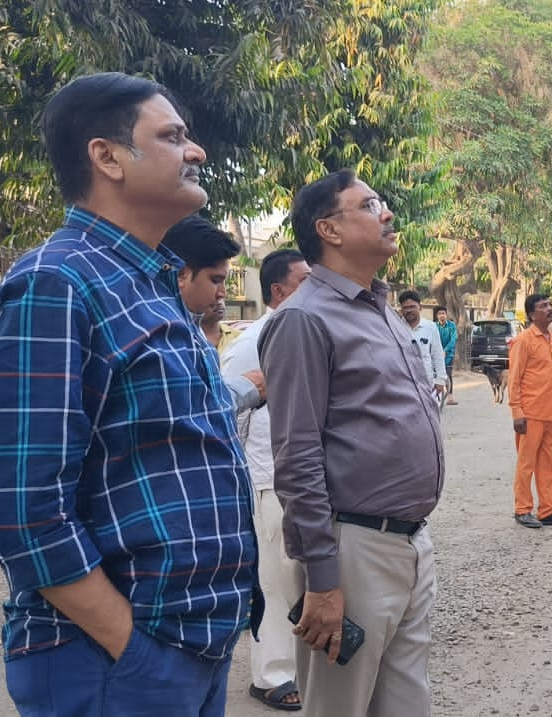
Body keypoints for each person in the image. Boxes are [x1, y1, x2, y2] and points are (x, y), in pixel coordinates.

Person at [0, 72, 257, 716]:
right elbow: (20, 510)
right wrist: (131, 646)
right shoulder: (56, 285)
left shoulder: (150, 283)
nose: (196, 151)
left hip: (185, 644)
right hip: (111, 657)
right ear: (106, 157)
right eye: (173, 136)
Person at [261, 168, 444, 716]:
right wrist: (322, 580)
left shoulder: (382, 309)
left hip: (410, 542)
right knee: (339, 708)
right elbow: (296, 456)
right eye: (369, 205)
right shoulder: (303, 320)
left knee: (407, 703)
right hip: (353, 549)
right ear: (330, 230)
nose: (387, 213)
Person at [218, 247, 311, 711]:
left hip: (313, 480)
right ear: (279, 290)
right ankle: (271, 675)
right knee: (274, 581)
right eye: (304, 280)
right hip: (267, 480)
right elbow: (226, 416)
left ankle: (308, 667)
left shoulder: (312, 331)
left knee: (309, 579)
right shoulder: (251, 342)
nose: (314, 288)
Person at [508, 293, 552, 529]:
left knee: (547, 466)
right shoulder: (523, 341)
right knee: (526, 464)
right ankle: (522, 509)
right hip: (530, 414)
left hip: (551, 414)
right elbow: (514, 380)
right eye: (543, 306)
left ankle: (547, 510)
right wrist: (517, 412)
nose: (549, 309)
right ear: (531, 314)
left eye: (549, 305)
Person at [162, 213, 244, 351]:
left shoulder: (194, 333)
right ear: (181, 275)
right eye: (215, 280)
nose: (222, 293)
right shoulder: (159, 337)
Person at [398, 291, 448, 402]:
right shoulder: (396, 327)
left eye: (412, 307)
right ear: (401, 309)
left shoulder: (430, 327)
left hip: (426, 384)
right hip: (402, 385)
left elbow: (437, 355)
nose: (409, 310)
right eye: (405, 308)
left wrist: (440, 380)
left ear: (420, 307)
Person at [435, 307, 458, 406]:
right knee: (435, 375)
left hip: (449, 354)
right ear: (437, 315)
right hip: (436, 354)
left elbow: (453, 340)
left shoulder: (452, 326)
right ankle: (436, 396)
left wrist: (445, 350)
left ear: (446, 314)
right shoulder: (434, 326)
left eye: (443, 313)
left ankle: (450, 397)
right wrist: (439, 351)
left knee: (448, 374)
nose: (441, 315)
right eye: (439, 313)